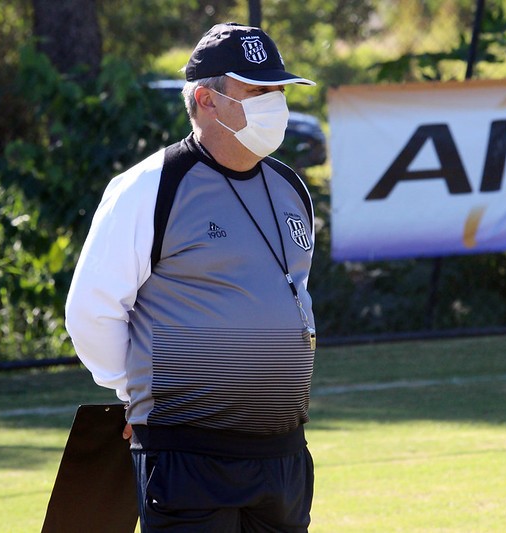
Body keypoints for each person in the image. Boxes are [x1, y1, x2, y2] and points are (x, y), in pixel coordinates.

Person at [65, 22, 318, 532]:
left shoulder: (292, 188)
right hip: (187, 458)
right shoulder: (149, 187)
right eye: (257, 90)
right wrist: (135, 394)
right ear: (206, 98)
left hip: (283, 456)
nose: (275, 102)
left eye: (278, 89)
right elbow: (90, 310)